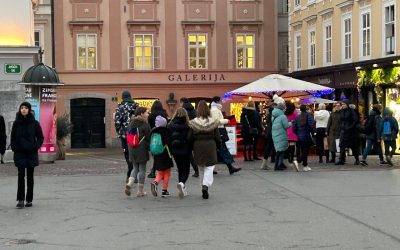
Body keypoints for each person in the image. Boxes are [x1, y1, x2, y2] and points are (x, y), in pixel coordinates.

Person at [11, 102, 44, 208]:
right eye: (22, 108)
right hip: (20, 153)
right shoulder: (16, 123)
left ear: (29, 110)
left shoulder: (35, 123)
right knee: (21, 176)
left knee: (30, 177)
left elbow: (40, 137)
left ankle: (29, 200)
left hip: (31, 153)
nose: (23, 110)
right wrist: (14, 147)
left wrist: (35, 147)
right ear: (20, 110)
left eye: (25, 108)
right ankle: (20, 200)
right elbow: (12, 137)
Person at [188, 100, 221, 199]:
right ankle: (205, 186)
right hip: (210, 145)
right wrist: (219, 146)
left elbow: (189, 137)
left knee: (201, 167)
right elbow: (217, 137)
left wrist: (190, 147)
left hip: (198, 146)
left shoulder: (193, 122)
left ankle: (203, 185)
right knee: (210, 167)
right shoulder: (213, 122)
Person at [210, 96, 241, 175]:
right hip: (218, 131)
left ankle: (229, 168)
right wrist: (226, 120)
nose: (220, 102)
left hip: (218, 131)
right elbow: (216, 121)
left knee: (218, 150)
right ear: (217, 101)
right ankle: (230, 168)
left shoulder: (215, 109)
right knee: (222, 149)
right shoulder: (215, 110)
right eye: (219, 101)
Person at [124, 107, 151, 197]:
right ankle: (140, 191)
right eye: (146, 113)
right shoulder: (144, 124)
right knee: (142, 169)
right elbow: (149, 137)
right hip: (141, 148)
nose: (148, 114)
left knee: (135, 168)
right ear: (141, 114)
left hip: (132, 148)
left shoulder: (131, 123)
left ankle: (130, 183)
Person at [114, 90, 139, 183]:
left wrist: (119, 132)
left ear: (123, 97)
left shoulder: (120, 107)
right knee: (135, 154)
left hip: (125, 135)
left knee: (127, 154)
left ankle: (130, 174)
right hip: (136, 134)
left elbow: (117, 122)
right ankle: (134, 174)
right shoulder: (136, 106)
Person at [168, 108, 191, 198]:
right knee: (186, 170)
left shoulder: (170, 125)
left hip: (175, 150)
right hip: (185, 149)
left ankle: (182, 188)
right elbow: (189, 138)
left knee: (180, 169)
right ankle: (182, 184)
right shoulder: (187, 125)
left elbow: (168, 138)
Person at [150, 115, 173, 197]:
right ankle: (164, 190)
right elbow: (169, 143)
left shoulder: (153, 131)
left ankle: (155, 182)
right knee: (167, 172)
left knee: (160, 172)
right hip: (165, 153)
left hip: (157, 154)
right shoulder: (167, 131)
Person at [147, 100, 169, 178]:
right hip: (163, 136)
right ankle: (161, 171)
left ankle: (154, 171)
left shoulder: (151, 115)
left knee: (155, 153)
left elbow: (149, 126)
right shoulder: (164, 114)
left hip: (154, 136)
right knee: (161, 153)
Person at [335, 100, 360, 165]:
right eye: (342, 104)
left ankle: (357, 159)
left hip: (351, 132)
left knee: (353, 146)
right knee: (342, 146)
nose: (343, 106)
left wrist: (350, 127)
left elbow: (355, 120)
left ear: (347, 105)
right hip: (343, 131)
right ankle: (341, 160)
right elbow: (340, 120)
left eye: (344, 104)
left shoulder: (352, 111)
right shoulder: (341, 111)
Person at [180, 97, 200, 177]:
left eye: (180, 103)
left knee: (188, 154)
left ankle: (195, 170)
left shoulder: (183, 111)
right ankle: (200, 170)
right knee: (196, 153)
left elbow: (183, 123)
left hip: (186, 134)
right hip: (195, 133)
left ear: (182, 102)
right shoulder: (194, 110)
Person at [293, 104, 315, 171]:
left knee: (303, 150)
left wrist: (297, 133)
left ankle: (305, 166)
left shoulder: (297, 117)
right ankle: (298, 161)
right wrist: (312, 132)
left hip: (299, 136)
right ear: (306, 108)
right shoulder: (309, 115)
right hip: (306, 135)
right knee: (305, 151)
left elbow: (294, 127)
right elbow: (311, 125)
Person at [271, 102, 291, 171]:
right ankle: (277, 166)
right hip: (281, 135)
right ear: (282, 108)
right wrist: (291, 122)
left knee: (281, 150)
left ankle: (280, 164)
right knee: (280, 151)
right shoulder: (282, 116)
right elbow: (286, 126)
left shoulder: (274, 115)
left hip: (275, 134)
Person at [260, 103, 276, 170]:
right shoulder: (273, 114)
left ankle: (264, 164)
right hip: (272, 132)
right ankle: (264, 165)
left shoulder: (269, 114)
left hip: (268, 132)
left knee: (268, 147)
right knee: (270, 147)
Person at [283, 101, 298, 170]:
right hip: (293, 129)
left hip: (286, 129)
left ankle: (287, 157)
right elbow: (297, 120)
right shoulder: (295, 112)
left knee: (287, 144)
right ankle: (291, 158)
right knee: (292, 144)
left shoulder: (284, 113)